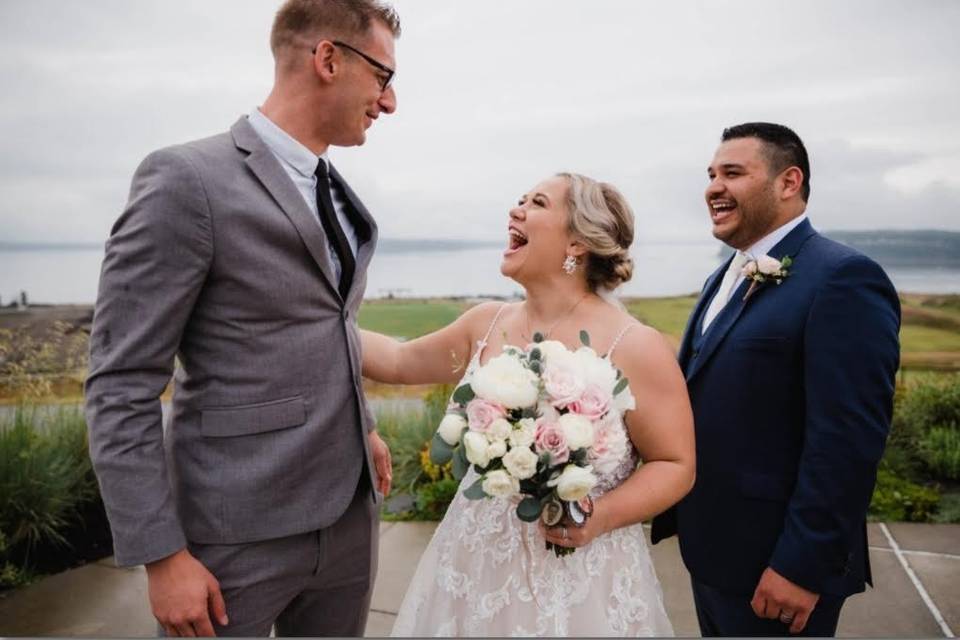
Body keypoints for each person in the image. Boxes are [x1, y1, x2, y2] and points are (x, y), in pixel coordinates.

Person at [84, 0, 400, 636]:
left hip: (348, 524)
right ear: (329, 59)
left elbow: (327, 327)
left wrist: (358, 425)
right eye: (383, 77)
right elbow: (121, 384)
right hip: (233, 538)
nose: (389, 103)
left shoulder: (338, 193)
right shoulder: (185, 180)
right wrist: (161, 555)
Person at [362, 173, 696, 636]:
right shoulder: (486, 322)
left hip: (582, 577)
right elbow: (398, 361)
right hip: (474, 564)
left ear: (577, 242)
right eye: (519, 200)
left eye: (536, 203)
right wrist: (317, 317)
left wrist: (599, 518)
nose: (515, 210)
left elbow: (675, 463)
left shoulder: (636, 345)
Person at [652, 123, 900, 637]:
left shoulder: (844, 278)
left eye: (733, 173)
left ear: (789, 182)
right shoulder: (722, 276)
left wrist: (801, 567)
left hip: (778, 568)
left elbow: (848, 441)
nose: (713, 187)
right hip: (713, 554)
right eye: (711, 174)